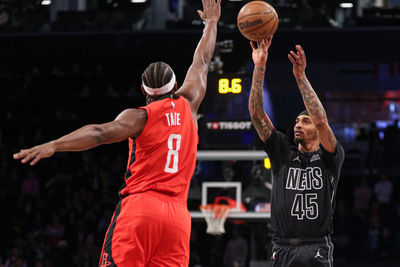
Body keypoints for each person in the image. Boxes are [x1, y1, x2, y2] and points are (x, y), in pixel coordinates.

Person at [13, 0, 222, 266]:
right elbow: (202, 60)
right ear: (176, 85)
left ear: (144, 91)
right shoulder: (190, 102)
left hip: (141, 208)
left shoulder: (139, 117)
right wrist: (211, 22)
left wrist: (55, 144)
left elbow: (99, 133)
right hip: (178, 218)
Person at [248, 38, 345, 266]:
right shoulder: (282, 152)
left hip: (316, 246)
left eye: (305, 121)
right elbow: (256, 115)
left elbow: (321, 121)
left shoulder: (331, 156)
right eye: (296, 121)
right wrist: (259, 66)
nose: (298, 125)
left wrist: (300, 77)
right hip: (281, 246)